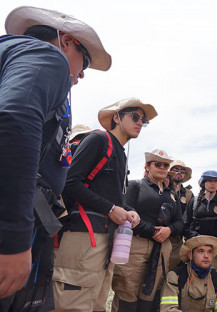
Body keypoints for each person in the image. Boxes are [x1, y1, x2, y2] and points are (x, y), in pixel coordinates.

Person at [0, 6, 111, 311]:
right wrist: (13, 238)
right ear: (66, 41)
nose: (83, 72)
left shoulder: (12, 55)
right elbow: (15, 121)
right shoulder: (48, 58)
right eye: (84, 59)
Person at [53, 98, 157, 311]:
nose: (140, 123)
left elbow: (110, 196)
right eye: (135, 117)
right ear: (117, 118)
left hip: (107, 242)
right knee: (72, 305)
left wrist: (129, 210)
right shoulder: (99, 139)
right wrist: (110, 209)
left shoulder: (121, 154)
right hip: (83, 238)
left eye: (143, 121)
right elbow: (69, 183)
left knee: (97, 303)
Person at [112, 149, 184, 311]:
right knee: (127, 292)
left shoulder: (172, 195)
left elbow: (180, 221)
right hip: (135, 245)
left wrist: (169, 230)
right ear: (147, 166)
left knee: (150, 296)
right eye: (157, 164)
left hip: (162, 248)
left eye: (165, 164)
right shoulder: (134, 186)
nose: (162, 167)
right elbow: (125, 210)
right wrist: (152, 231)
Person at [159, 235, 217, 312]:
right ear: (190, 255)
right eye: (201, 251)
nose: (206, 256)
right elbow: (168, 309)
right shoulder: (175, 277)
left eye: (209, 252)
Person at [183, 170, 217, 271]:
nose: (213, 184)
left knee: (215, 277)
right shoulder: (194, 202)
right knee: (194, 276)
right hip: (196, 246)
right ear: (203, 183)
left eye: (216, 181)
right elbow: (185, 224)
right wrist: (195, 237)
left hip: (215, 248)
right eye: (209, 181)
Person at [168, 160, 193, 270]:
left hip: (178, 241)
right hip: (158, 237)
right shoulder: (161, 188)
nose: (179, 172)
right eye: (175, 169)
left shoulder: (188, 194)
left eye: (182, 170)